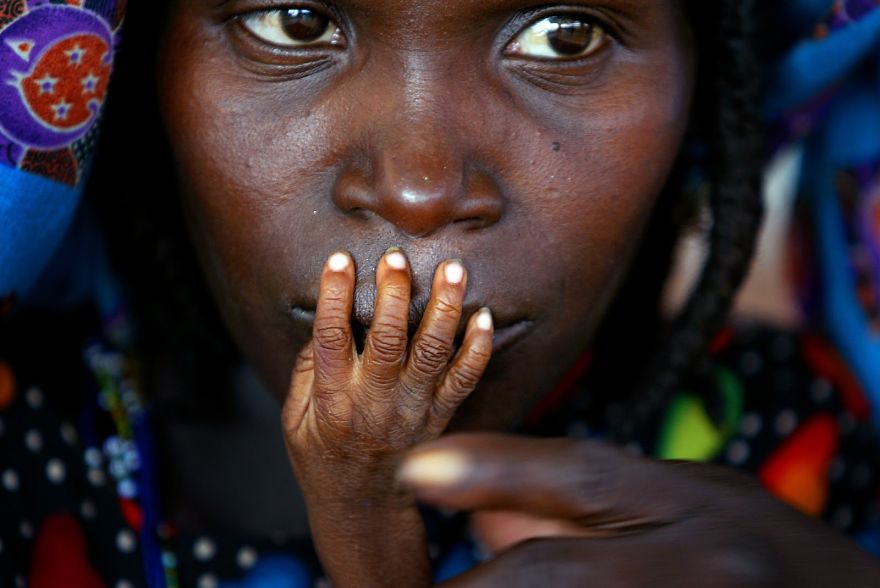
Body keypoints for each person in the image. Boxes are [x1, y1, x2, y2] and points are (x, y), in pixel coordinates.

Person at [1, 0, 879, 586]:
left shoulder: (801, 453)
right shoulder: (17, 448)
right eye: (294, 22)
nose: (418, 187)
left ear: (705, 90)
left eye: (564, 36)